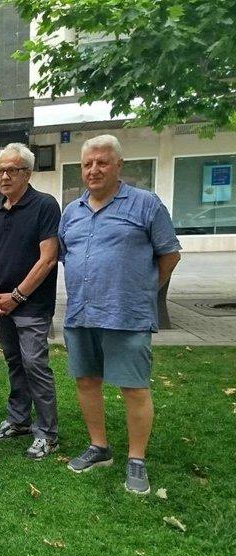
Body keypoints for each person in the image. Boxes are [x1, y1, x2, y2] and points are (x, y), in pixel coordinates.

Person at [60, 134, 181, 494]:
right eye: (87, 164)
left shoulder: (146, 205)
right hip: (81, 312)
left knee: (134, 387)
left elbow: (169, 254)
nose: (94, 170)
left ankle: (136, 459)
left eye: (102, 162)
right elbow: (67, 252)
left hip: (126, 315)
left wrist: (142, 292)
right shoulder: (72, 211)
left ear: (118, 165)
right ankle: (99, 447)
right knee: (86, 381)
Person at [0, 142, 61, 460]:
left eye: (11, 170)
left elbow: (48, 258)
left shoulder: (44, 205)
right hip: (0, 305)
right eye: (0, 170)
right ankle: (18, 420)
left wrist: (16, 296)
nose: (3, 176)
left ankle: (47, 433)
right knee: (14, 363)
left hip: (32, 305)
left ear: (27, 173)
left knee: (35, 365)